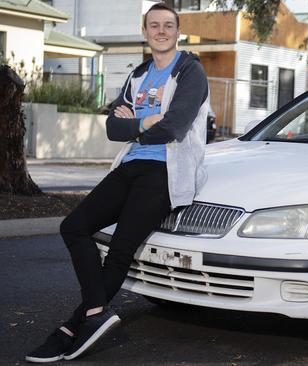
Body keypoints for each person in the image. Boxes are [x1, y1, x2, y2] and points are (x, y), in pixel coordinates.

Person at [25, 3, 209, 362]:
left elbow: (175, 126)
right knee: (74, 226)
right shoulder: (138, 75)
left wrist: (137, 121)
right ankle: (95, 313)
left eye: (168, 26)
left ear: (178, 31)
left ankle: (69, 328)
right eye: (153, 25)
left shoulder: (190, 72)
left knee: (121, 249)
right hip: (129, 165)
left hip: (166, 174)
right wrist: (145, 121)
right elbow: (112, 127)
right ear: (145, 32)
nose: (161, 31)